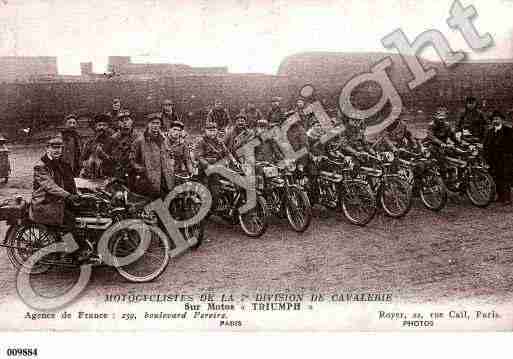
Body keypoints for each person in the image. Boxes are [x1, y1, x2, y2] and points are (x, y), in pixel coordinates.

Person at [130, 112, 174, 198]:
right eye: (153, 123)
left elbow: (170, 154)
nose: (155, 126)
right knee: (152, 204)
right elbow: (132, 160)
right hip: (148, 180)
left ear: (160, 125)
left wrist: (171, 165)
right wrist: (142, 169)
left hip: (165, 179)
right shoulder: (140, 141)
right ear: (148, 124)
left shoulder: (164, 140)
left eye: (157, 123)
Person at [195, 121, 229, 209]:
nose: (212, 132)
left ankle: (216, 208)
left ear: (217, 131)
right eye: (209, 130)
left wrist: (231, 161)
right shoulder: (201, 142)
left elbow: (227, 153)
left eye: (214, 130)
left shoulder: (220, 142)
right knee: (205, 193)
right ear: (205, 131)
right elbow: (199, 157)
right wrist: (208, 165)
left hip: (216, 170)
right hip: (204, 171)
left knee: (216, 192)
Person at [483, 111, 513, 204]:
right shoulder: (489, 131)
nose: (495, 120)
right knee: (495, 177)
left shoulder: (508, 130)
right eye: (494, 119)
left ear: (502, 120)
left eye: (497, 118)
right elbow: (486, 145)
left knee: (505, 177)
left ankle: (507, 198)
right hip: (493, 158)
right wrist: (486, 157)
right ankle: (500, 197)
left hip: (505, 157)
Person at [107, 109, 139, 186]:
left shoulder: (138, 137)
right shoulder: (113, 138)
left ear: (132, 121)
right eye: (122, 120)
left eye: (127, 120)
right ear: (118, 123)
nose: (125, 122)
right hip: (118, 174)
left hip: (134, 174)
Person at [80, 114, 115, 179]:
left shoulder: (113, 142)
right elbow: (83, 158)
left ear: (108, 127)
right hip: (91, 176)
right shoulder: (89, 142)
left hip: (108, 176)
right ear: (96, 127)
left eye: (104, 125)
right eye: (99, 125)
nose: (101, 127)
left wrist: (103, 155)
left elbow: (115, 161)